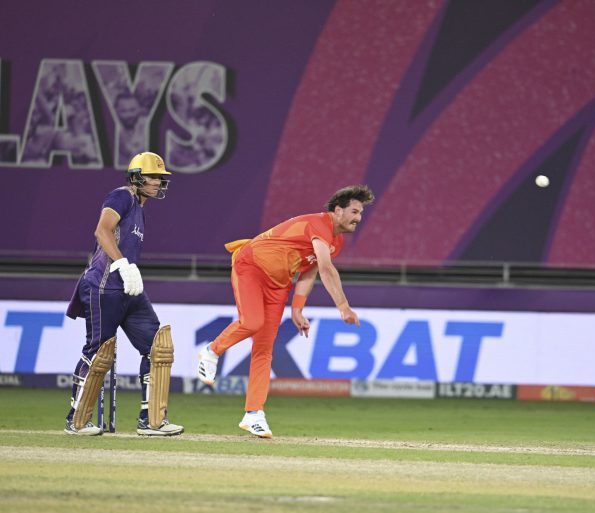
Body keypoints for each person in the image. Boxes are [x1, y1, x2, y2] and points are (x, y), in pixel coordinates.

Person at [197, 185, 375, 438]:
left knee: (264, 350)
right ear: (338, 210)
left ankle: (253, 414)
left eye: (361, 213)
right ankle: (212, 350)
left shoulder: (336, 241)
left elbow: (309, 270)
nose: (359, 218)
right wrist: (343, 307)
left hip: (278, 284)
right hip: (251, 266)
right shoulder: (320, 224)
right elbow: (325, 269)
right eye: (355, 211)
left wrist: (298, 308)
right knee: (252, 322)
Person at [64, 151, 184, 437]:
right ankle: (76, 420)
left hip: (129, 289)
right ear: (136, 177)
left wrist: (127, 272)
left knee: (159, 348)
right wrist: (121, 264)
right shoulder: (122, 196)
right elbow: (102, 231)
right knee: (99, 353)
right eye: (153, 176)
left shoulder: (140, 209)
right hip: (104, 285)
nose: (158, 182)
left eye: (161, 177)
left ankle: (151, 420)